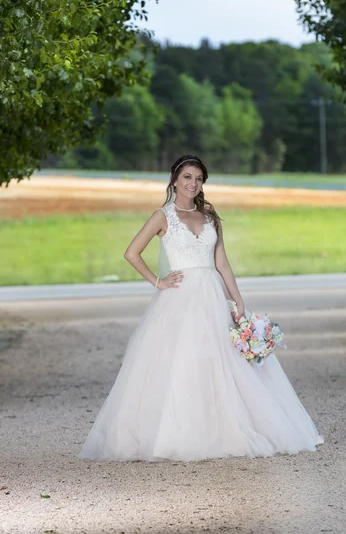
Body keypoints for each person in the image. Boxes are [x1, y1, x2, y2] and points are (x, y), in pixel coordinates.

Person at [78, 154, 323, 462]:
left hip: (211, 295)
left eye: (199, 178)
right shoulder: (162, 216)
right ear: (174, 180)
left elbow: (222, 262)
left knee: (221, 361)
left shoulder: (210, 216)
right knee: (182, 360)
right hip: (179, 298)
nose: (193, 184)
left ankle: (224, 426)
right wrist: (158, 281)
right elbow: (131, 252)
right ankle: (177, 432)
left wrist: (237, 300)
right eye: (187, 178)